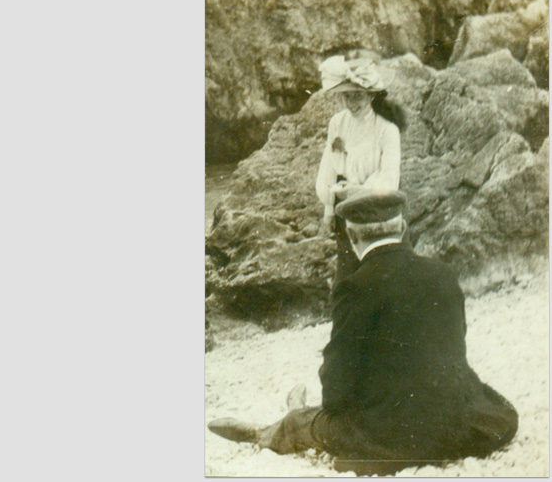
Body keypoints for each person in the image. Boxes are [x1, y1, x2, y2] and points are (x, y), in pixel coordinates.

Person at [208, 189, 518, 476]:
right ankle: (297, 412)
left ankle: (272, 429)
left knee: (313, 422)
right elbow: (454, 345)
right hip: (459, 420)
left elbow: (337, 384)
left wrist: (334, 413)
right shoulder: (441, 272)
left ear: (352, 236)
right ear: (403, 227)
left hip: (396, 434)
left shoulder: (356, 287)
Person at [314, 55, 403, 286]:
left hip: (380, 213)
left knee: (383, 280)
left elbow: (390, 180)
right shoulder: (337, 123)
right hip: (347, 213)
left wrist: (357, 190)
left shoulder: (387, 130)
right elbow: (329, 168)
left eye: (358, 96)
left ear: (371, 94)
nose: (352, 103)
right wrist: (328, 212)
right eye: (347, 96)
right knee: (348, 280)